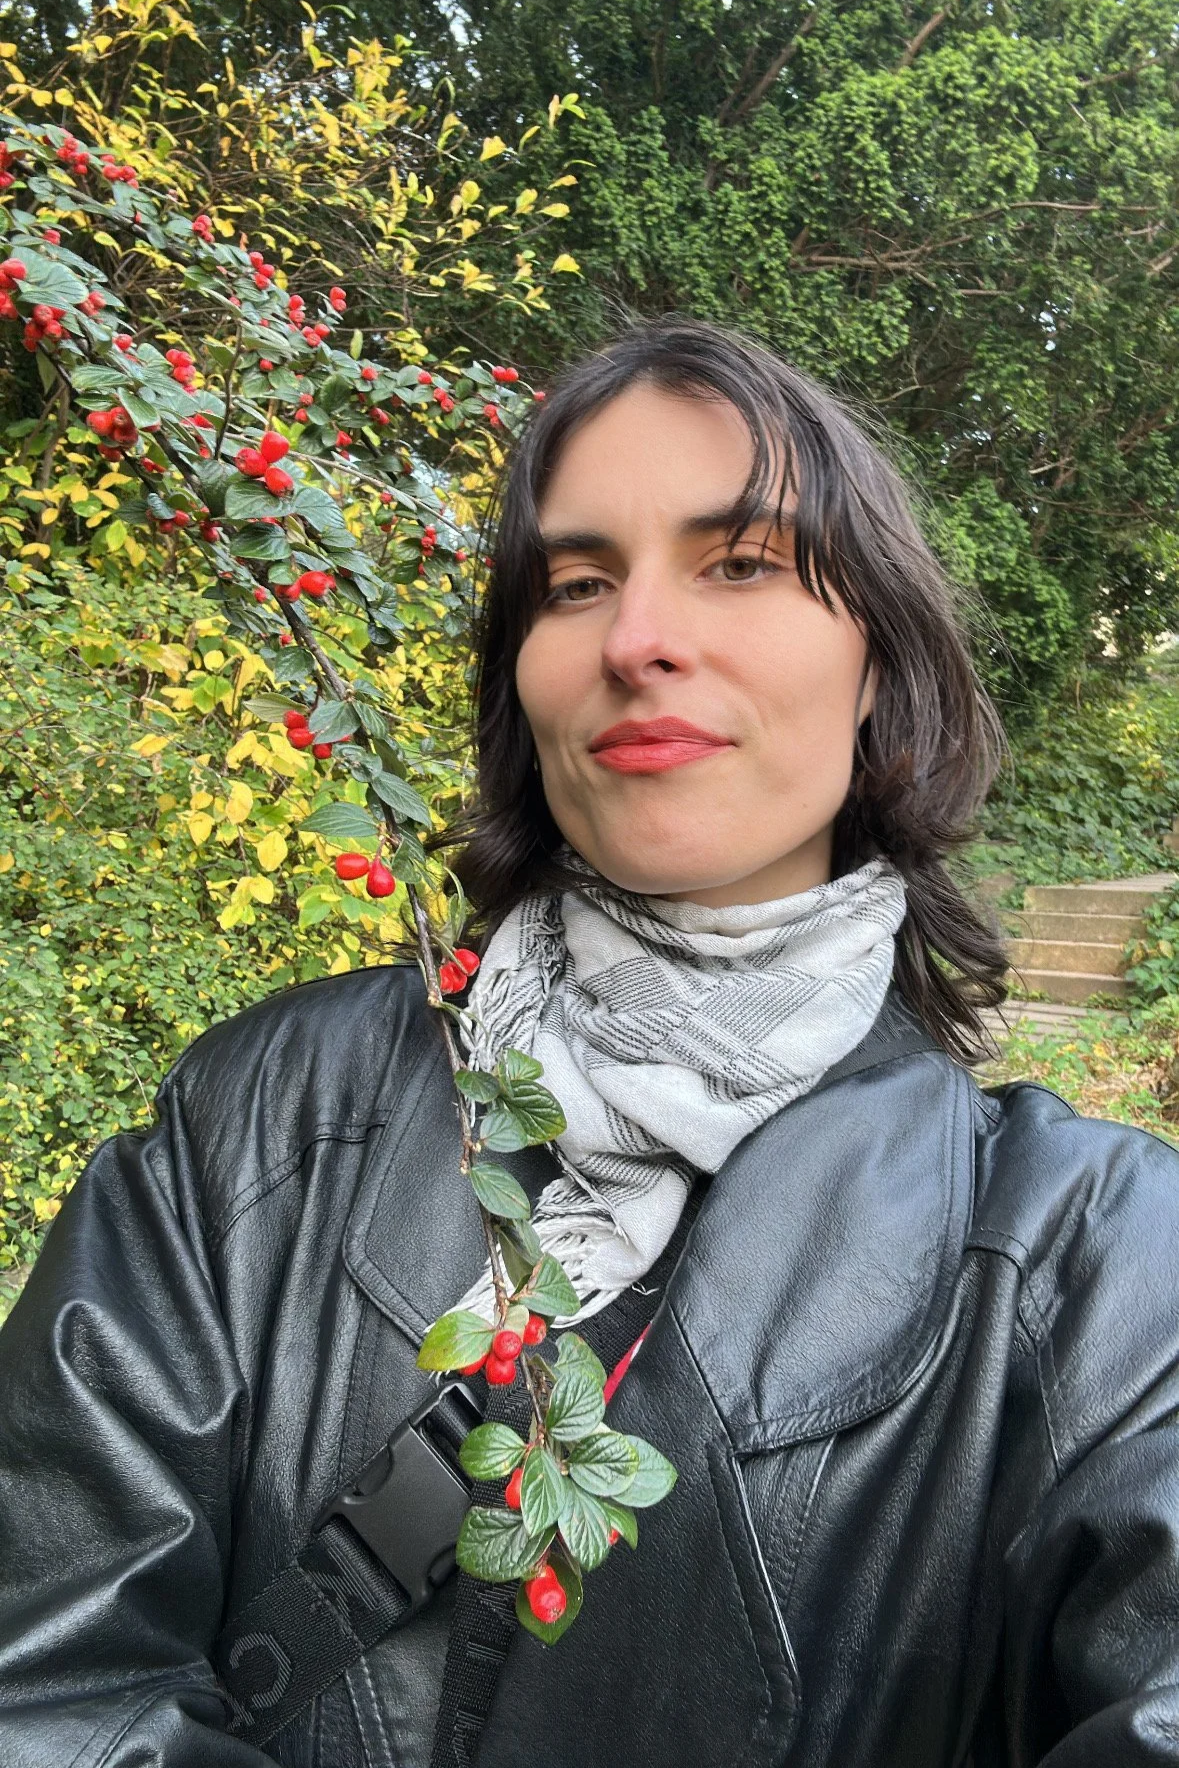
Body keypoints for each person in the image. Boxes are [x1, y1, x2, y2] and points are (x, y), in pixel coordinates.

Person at [1, 314, 1177, 1768]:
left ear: (878, 660)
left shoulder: (1099, 1268)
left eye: (740, 562)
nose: (636, 640)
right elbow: (48, 1676)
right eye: (576, 584)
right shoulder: (263, 1119)